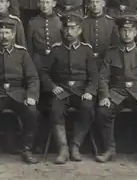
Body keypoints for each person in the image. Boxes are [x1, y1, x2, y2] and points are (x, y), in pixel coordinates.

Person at [95, 15, 137, 167]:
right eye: (124, 30)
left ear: (135, 33)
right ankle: (109, 149)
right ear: (119, 32)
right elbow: (103, 77)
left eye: (130, 30)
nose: (126, 33)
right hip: (117, 93)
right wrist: (104, 95)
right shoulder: (111, 53)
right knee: (103, 111)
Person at [0, 20, 40, 165]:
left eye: (7, 33)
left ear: (13, 34)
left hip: (18, 92)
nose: (4, 36)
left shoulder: (22, 53)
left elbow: (33, 77)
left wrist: (31, 96)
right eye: (0, 32)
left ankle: (27, 149)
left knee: (32, 111)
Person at [40, 14, 99, 164]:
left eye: (73, 28)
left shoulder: (86, 50)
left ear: (79, 31)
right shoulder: (56, 49)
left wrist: (89, 91)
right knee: (55, 109)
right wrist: (52, 86)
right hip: (62, 90)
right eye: (66, 27)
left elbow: (94, 75)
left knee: (88, 108)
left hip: (81, 91)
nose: (69, 31)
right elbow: (44, 72)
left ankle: (75, 145)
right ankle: (63, 148)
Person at [26, 0, 63, 71]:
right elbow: (30, 45)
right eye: (42, 2)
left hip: (57, 59)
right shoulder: (33, 22)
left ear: (54, 4)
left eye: (47, 2)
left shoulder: (60, 20)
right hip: (38, 59)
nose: (44, 6)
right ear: (38, 4)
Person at [81, 0, 119, 68]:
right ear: (88, 5)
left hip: (106, 61)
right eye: (92, 2)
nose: (95, 5)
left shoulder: (111, 22)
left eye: (98, 2)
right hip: (86, 61)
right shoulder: (82, 22)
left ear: (103, 4)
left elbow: (115, 44)